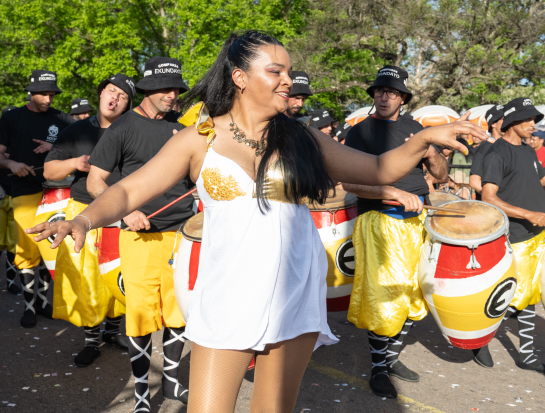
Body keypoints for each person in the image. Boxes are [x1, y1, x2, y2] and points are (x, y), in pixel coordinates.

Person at [26, 31, 486, 413]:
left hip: (293, 288)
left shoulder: (301, 136)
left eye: (288, 71)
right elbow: (129, 189)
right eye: (276, 71)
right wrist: (86, 218)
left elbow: (377, 171)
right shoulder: (199, 138)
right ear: (240, 77)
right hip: (229, 290)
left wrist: (424, 137)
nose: (289, 81)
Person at [79, 57, 193, 410]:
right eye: (166, 88)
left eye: (176, 88)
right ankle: (142, 390)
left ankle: (173, 382)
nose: (172, 94)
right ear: (147, 88)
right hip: (139, 237)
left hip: (182, 233)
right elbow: (95, 180)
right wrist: (127, 210)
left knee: (178, 313)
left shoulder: (183, 129)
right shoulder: (123, 127)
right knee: (142, 315)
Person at [342, 64, 449, 399]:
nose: (383, 96)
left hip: (418, 221)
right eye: (379, 90)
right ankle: (378, 367)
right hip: (379, 221)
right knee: (384, 297)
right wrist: (392, 193)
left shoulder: (416, 129)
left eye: (391, 91)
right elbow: (349, 182)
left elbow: (442, 174)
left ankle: (390, 358)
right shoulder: (359, 133)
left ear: (403, 97)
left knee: (416, 293)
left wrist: (430, 150)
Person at [43, 74, 136, 367]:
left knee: (117, 276)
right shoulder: (77, 130)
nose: (114, 99)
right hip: (83, 212)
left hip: (121, 211)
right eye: (111, 91)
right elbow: (49, 171)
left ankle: (112, 331)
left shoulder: (133, 130)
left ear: (128, 104)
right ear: (100, 93)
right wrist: (74, 163)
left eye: (122, 96)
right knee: (87, 281)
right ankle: (91, 341)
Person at [480, 97, 545, 376]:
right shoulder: (496, 153)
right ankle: (479, 339)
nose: (533, 125)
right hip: (515, 236)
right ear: (511, 122)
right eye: (528, 120)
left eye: (534, 120)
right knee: (508, 296)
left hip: (538, 234)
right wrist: (529, 215)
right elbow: (489, 197)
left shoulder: (529, 152)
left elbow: (539, 184)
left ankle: (526, 354)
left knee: (529, 296)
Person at [0, 70, 74, 328]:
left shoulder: (63, 119)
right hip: (23, 191)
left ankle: (42, 302)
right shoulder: (11, 117)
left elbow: (83, 148)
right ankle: (29, 306)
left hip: (57, 192)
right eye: (44, 93)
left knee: (50, 248)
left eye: (52, 94)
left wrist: (54, 149)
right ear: (31, 92)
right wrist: (11, 163)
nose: (48, 99)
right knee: (27, 251)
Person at [0, 106, 18, 294]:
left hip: (17, 196)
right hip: (1, 194)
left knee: (13, 243)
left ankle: (11, 281)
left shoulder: (21, 140)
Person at [469, 104, 504, 194]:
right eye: (504, 119)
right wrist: (493, 197)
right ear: (493, 124)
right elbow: (474, 182)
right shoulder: (485, 147)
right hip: (493, 206)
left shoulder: (507, 146)